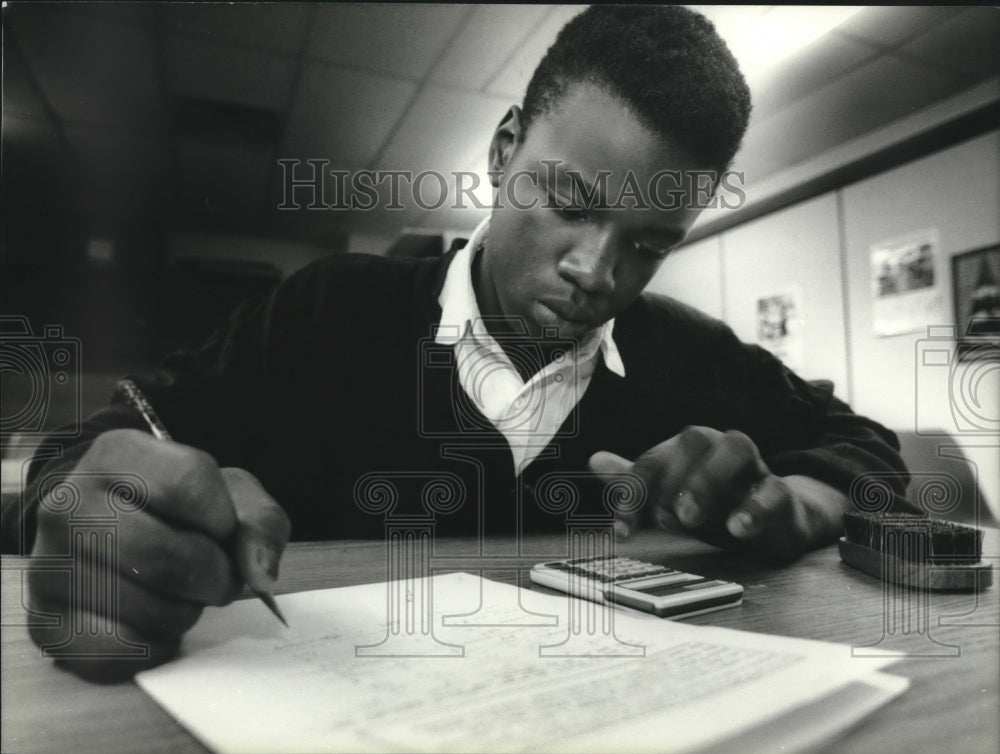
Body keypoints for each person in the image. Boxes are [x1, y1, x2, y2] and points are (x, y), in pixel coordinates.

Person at [13, 6, 909, 681]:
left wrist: (796, 500)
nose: (598, 272)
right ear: (505, 148)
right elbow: (74, 454)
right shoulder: (324, 313)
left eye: (649, 245)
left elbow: (868, 449)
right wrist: (97, 520)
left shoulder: (692, 353)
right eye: (569, 202)